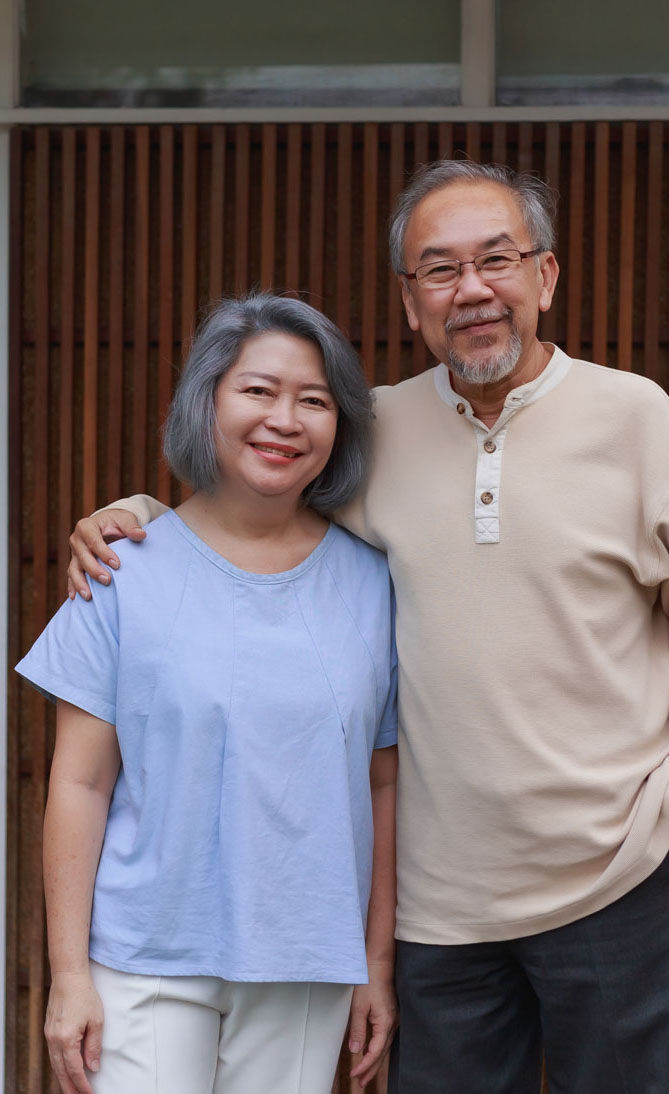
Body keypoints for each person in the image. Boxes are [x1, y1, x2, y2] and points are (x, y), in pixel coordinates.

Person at [67, 161, 669, 1094]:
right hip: (437, 912)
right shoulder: (370, 433)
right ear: (409, 301)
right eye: (438, 270)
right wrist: (142, 515)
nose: (470, 290)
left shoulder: (637, 420)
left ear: (545, 277)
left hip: (612, 879)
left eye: (496, 261)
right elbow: (252, 501)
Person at [18, 293, 399, 1094]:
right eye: (257, 391)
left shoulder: (376, 585)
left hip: (304, 962)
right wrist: (67, 973)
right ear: (208, 401)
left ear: (340, 426)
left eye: (314, 401)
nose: (284, 420)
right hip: (140, 957)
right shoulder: (121, 569)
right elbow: (79, 783)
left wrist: (374, 964)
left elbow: (385, 782)